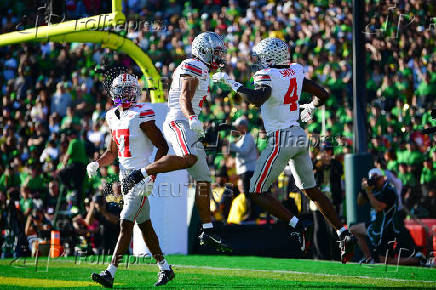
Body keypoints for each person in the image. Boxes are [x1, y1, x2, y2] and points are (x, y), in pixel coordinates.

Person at [212, 37, 355, 263]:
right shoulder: (295, 71)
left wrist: (231, 83)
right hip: (299, 135)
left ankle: (298, 226)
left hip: (282, 138)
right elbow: (324, 95)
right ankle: (342, 232)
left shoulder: (267, 75)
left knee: (256, 190)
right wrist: (310, 105)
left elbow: (257, 99)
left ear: (270, 58)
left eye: (261, 59)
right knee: (312, 190)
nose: (258, 63)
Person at [121, 32, 232, 253]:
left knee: (203, 179)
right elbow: (184, 97)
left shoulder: (202, 70)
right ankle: (140, 173)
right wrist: (192, 117)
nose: (219, 56)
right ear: (204, 51)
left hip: (188, 123)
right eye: (216, 52)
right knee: (188, 158)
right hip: (179, 122)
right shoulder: (194, 66)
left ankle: (207, 230)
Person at [87, 73, 174, 287]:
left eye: (129, 89)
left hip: (141, 176)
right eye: (122, 89)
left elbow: (163, 146)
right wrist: (97, 163)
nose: (125, 93)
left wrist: (151, 174)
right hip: (124, 177)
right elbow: (112, 151)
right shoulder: (111, 116)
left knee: (126, 221)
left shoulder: (141, 113)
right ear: (114, 92)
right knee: (144, 225)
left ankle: (110, 272)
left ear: (135, 91)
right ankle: (165, 268)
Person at [350, 168, 421, 265]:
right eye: (374, 179)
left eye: (378, 179)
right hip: (376, 225)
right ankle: (369, 259)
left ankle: (417, 260)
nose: (377, 181)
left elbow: (379, 207)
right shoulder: (372, 189)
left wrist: (369, 192)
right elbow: (359, 202)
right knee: (354, 230)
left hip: (387, 229)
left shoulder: (389, 190)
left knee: (386, 261)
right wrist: (364, 190)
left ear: (383, 178)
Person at [229, 116, 258, 218]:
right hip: (245, 170)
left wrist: (231, 146)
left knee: (249, 194)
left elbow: (245, 151)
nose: (237, 128)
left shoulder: (248, 137)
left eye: (239, 126)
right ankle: (250, 213)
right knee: (247, 193)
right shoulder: (243, 138)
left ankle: (252, 214)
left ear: (243, 126)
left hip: (249, 170)